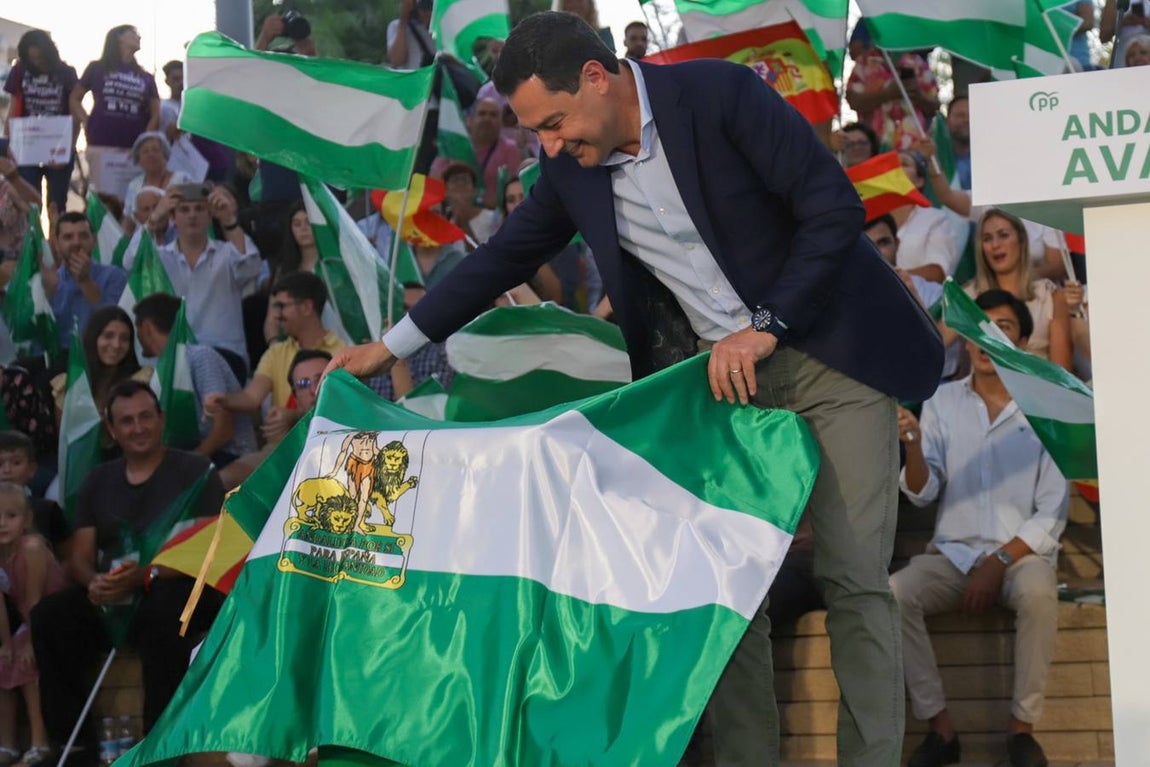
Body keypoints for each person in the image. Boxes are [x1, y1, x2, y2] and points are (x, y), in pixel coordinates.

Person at [326, 13, 943, 766]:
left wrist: (768, 323)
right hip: (720, 386)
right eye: (536, 133)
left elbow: (834, 209)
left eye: (553, 123)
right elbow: (503, 258)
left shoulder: (718, 95)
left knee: (853, 579)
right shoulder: (568, 167)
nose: (550, 147)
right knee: (731, 595)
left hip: (830, 357)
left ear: (596, 77)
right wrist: (389, 346)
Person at [893, 290, 1068, 767]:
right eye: (979, 329)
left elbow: (1053, 510)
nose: (989, 339)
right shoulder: (944, 400)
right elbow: (923, 491)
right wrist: (910, 444)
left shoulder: (1045, 405)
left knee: (1038, 592)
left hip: (1019, 558)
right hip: (952, 556)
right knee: (892, 594)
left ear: (1024, 340)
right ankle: (942, 731)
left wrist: (999, 560)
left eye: (1004, 328)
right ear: (967, 342)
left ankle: (1021, 731)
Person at [31, 381, 226, 765]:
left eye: (145, 417)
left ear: (161, 419)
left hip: (179, 588)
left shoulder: (196, 470)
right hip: (118, 594)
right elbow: (81, 556)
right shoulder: (97, 480)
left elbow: (209, 548)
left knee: (166, 611)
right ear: (112, 430)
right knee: (49, 617)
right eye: (127, 421)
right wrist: (95, 582)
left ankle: (160, 744)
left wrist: (147, 576)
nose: (138, 428)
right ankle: (75, 748)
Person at [205, 272, 344, 445]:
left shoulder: (343, 353)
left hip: (329, 446)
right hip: (280, 451)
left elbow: (343, 409)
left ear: (307, 307)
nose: (277, 316)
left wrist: (294, 417)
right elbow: (251, 398)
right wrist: (222, 399)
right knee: (229, 473)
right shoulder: (275, 352)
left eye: (282, 306)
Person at [150, 183, 263, 381]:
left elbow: (251, 266)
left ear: (210, 216)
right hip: (177, 356)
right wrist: (154, 218)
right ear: (173, 218)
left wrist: (228, 220)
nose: (192, 215)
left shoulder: (227, 253)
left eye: (200, 208)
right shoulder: (161, 257)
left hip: (225, 354)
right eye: (184, 210)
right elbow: (130, 261)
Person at [133, 293, 257, 466]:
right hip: (197, 456)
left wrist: (188, 463)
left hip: (229, 456)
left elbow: (224, 430)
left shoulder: (200, 357)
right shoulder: (161, 370)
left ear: (146, 328)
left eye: (136, 329)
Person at [0, 483, 67, 767]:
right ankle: (7, 744)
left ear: (26, 520)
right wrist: (5, 644)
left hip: (54, 618)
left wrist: (28, 642)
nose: (2, 523)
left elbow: (35, 602)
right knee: (3, 662)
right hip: (27, 621)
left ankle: (40, 741)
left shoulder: (32, 547)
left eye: (11, 515)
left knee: (27, 663)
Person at [219, 349, 330, 490]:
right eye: (303, 384)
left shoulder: (364, 419)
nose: (314, 390)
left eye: (320, 379)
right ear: (295, 398)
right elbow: (229, 477)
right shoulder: (291, 445)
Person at [70, 25, 160, 197]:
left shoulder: (146, 77)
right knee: (104, 200)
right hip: (102, 143)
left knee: (134, 200)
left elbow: (156, 112)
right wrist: (86, 121)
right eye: (133, 33)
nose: (139, 37)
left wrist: (145, 139)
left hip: (134, 149)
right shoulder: (97, 68)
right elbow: (75, 98)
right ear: (118, 37)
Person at [50, 306, 153, 453]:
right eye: (108, 336)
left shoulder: (142, 380)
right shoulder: (70, 384)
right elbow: (67, 444)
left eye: (124, 338)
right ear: (94, 338)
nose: (116, 345)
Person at [2, 30, 79, 213]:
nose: (37, 63)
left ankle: (55, 240)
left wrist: (69, 148)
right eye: (33, 59)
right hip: (28, 144)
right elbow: (13, 109)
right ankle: (34, 240)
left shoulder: (67, 73)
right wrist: (11, 144)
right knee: (30, 204)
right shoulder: (20, 70)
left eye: (41, 58)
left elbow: (75, 114)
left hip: (58, 144)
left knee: (57, 204)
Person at [43, 212, 127, 351]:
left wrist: (85, 281)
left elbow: (113, 322)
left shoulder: (114, 276)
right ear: (56, 244)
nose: (76, 243)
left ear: (94, 241)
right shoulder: (50, 281)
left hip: (99, 357)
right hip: (59, 359)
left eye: (83, 236)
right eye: (68, 237)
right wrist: (46, 294)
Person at [846, 34, 939, 152]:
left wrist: (917, 95)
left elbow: (935, 107)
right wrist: (886, 94)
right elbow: (853, 102)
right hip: (875, 148)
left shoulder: (916, 62)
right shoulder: (864, 62)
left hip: (914, 150)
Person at [0, 432, 70, 559]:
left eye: (16, 463)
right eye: (0, 464)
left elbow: (66, 559)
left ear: (31, 469)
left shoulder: (47, 510)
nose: (6, 470)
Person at [122, 132, 188, 219]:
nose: (150, 154)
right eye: (145, 151)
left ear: (165, 155)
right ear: (139, 160)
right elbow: (128, 222)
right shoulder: (134, 185)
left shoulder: (182, 179)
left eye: (155, 150)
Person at [443, 162, 500, 246]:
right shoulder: (443, 223)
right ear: (446, 191)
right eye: (454, 180)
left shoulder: (492, 218)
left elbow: (484, 256)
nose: (460, 183)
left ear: (474, 190)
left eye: (464, 180)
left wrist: (464, 224)